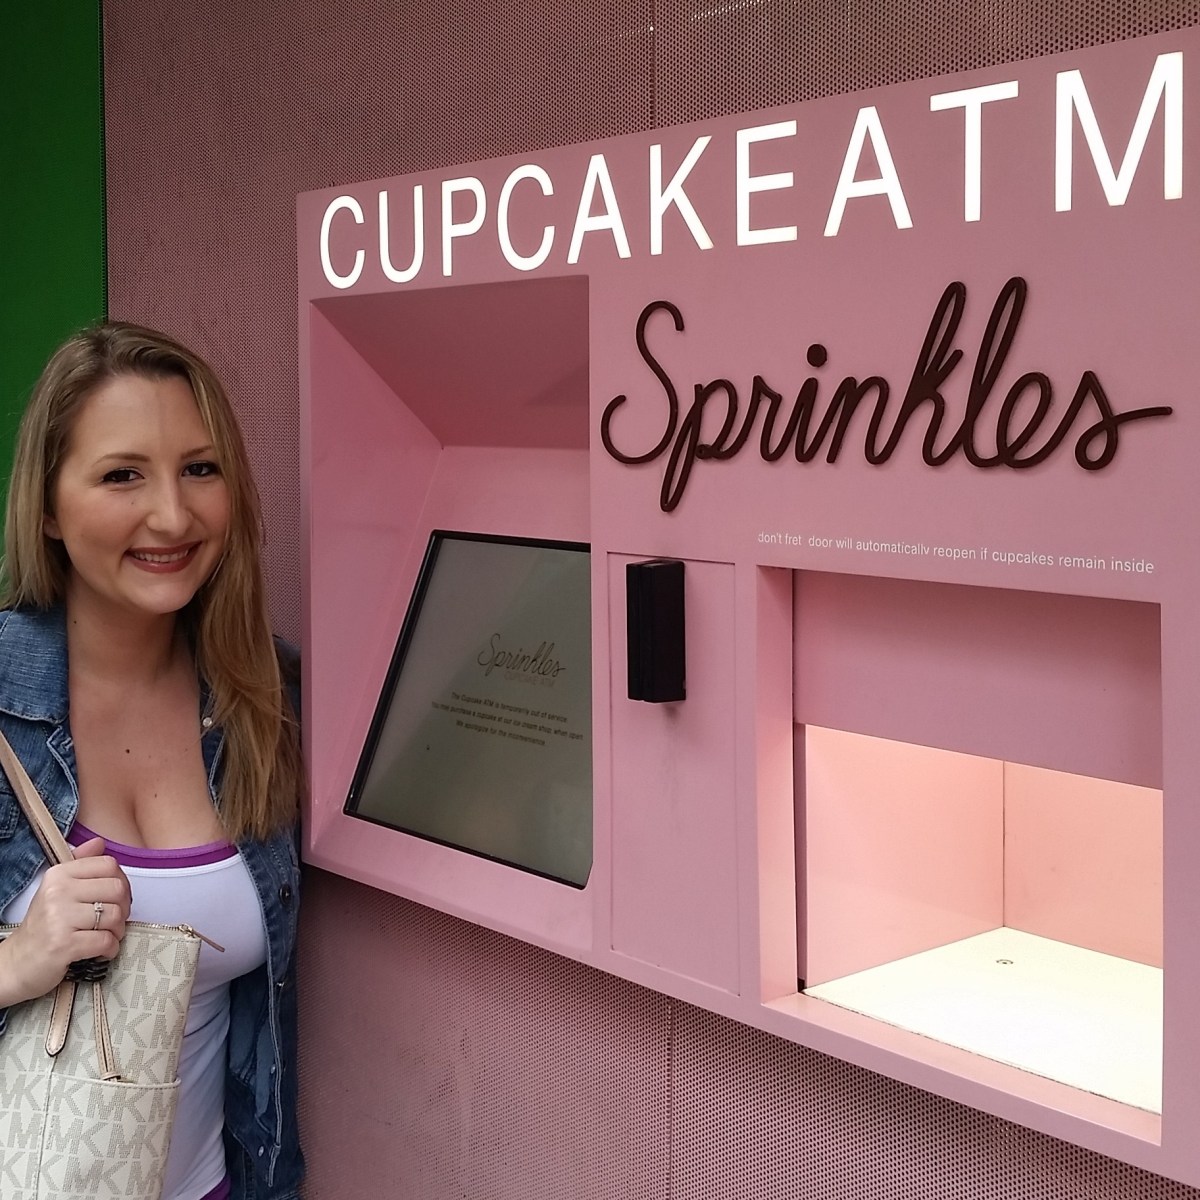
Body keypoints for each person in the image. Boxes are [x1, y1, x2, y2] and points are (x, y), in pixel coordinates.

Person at [0, 322, 304, 1200]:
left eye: (200, 469)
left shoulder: (264, 697)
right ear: (48, 508)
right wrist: (17, 960)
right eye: (122, 475)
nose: (173, 516)